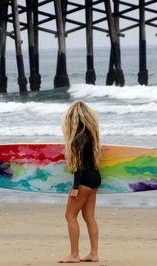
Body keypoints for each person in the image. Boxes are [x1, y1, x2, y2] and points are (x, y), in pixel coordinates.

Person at [58, 100, 102, 263]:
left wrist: (75, 187)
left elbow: (79, 166)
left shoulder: (77, 138)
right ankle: (94, 253)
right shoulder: (92, 135)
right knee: (89, 217)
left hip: (84, 180)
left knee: (70, 216)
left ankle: (74, 254)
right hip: (95, 177)